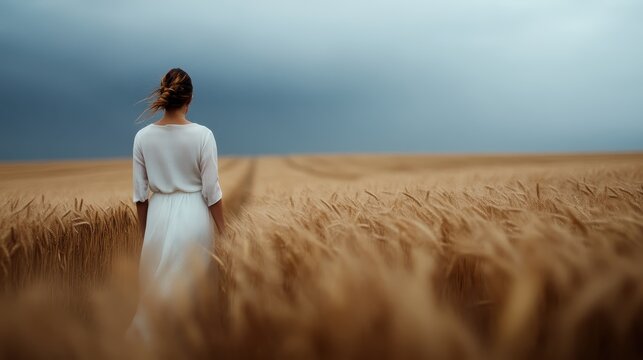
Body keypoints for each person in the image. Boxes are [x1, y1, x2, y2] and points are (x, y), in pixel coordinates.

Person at [126, 67, 225, 343]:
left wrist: (145, 234)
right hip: (194, 216)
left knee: (155, 294)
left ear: (163, 96)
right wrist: (226, 231)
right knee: (192, 293)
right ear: (190, 99)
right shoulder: (203, 135)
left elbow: (140, 196)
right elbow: (211, 192)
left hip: (158, 216)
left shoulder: (142, 137)